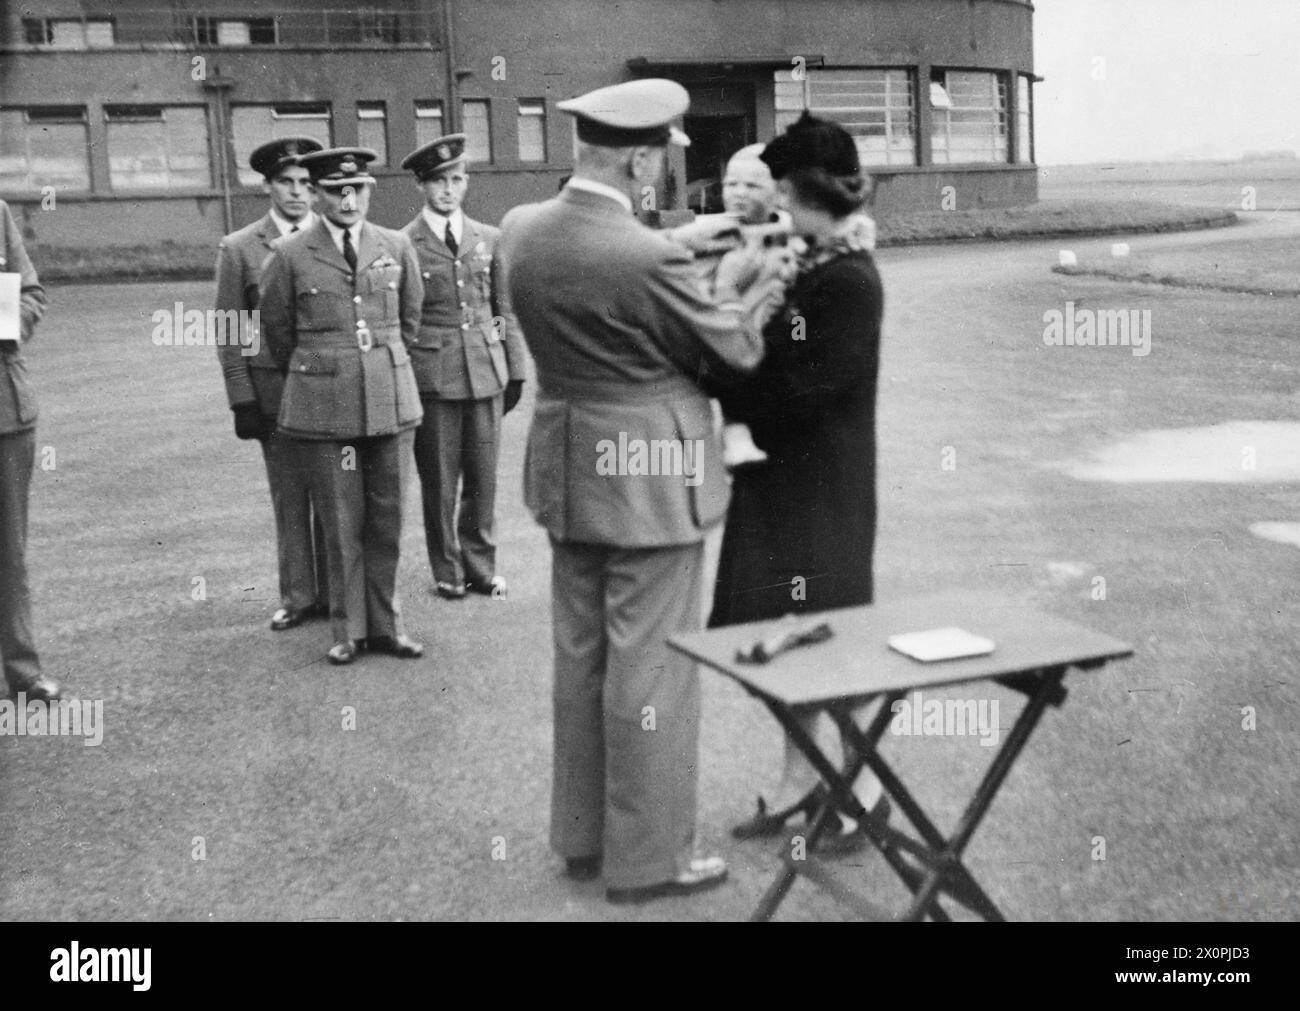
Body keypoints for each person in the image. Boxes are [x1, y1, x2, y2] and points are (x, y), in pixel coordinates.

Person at [497, 78, 779, 904]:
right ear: (643, 161)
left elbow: (604, 260)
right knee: (651, 672)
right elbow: (735, 352)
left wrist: (685, 238)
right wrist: (747, 278)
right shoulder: (649, 258)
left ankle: (582, 838)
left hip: (571, 466)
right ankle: (650, 860)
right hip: (652, 477)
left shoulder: (521, 228)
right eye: (663, 156)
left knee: (581, 659)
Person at [708, 113, 886, 852]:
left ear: (810, 192)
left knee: (827, 641)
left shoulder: (847, 281)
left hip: (820, 496)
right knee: (775, 643)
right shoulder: (810, 265)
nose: (776, 201)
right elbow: (775, 367)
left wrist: (721, 365)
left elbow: (796, 392)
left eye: (784, 189)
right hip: (782, 486)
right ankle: (800, 782)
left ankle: (866, 797)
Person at [258, 147, 426, 666]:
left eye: (358, 189)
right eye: (336, 191)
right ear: (316, 194)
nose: (349, 200)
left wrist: (380, 364)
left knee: (387, 518)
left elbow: (410, 320)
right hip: (324, 408)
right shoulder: (289, 254)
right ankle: (348, 630)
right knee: (340, 520)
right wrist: (323, 368)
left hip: (389, 399)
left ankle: (388, 626)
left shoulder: (395, 245)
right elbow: (278, 331)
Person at [399, 134, 527, 601]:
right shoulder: (404, 242)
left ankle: (480, 568)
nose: (448, 190)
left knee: (483, 480)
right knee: (439, 482)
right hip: (433, 377)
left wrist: (515, 367)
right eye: (438, 182)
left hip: (485, 371)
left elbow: (503, 309)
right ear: (421, 185)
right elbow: (404, 319)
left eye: (455, 180)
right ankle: (448, 570)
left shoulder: (489, 238)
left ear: (466, 182)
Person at [214, 136, 330, 632]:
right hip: (274, 393)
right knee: (289, 496)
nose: (297, 192)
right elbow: (229, 329)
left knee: (334, 495)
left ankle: (337, 595)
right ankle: (299, 596)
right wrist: (241, 397)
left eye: (306, 182)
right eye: (286, 181)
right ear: (268, 186)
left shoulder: (333, 238)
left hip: (328, 388)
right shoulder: (240, 248)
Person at [0, 199, 66, 702]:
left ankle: (22, 671)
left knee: (8, 552)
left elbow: (30, 292)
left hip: (5, 411)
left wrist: (8, 324)